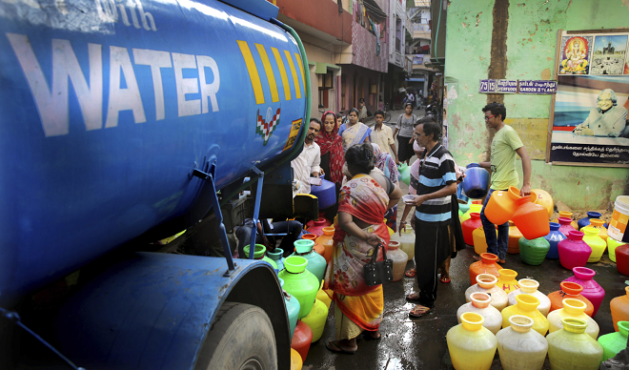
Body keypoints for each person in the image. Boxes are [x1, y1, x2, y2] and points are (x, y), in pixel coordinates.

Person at [325, 143, 402, 354]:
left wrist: (366, 235)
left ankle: (349, 341)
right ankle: (373, 329)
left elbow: (345, 221)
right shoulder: (381, 180)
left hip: (359, 243)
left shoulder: (350, 187)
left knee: (350, 287)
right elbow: (398, 194)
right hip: (380, 236)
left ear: (348, 165)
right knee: (373, 280)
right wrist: (378, 216)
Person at [402, 119, 458, 318]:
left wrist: (424, 198)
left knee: (429, 259)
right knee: (421, 258)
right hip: (424, 216)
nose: (415, 137)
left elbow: (452, 187)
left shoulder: (444, 156)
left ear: (430, 136)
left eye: (418, 134)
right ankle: (423, 292)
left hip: (436, 219)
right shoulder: (427, 155)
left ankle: (428, 301)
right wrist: (417, 212)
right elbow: (425, 186)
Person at [402, 131, 466, 283]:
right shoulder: (415, 168)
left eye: (422, 152)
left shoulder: (444, 159)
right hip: (425, 207)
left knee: (446, 239)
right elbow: (413, 194)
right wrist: (407, 217)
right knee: (423, 239)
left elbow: (457, 181)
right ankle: (421, 266)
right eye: (417, 153)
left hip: (446, 206)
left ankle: (445, 269)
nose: (420, 156)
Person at [478, 102, 532, 264]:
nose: (486, 120)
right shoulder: (498, 134)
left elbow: (525, 156)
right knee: (501, 220)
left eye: (489, 117)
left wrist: (526, 184)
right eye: (485, 118)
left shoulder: (508, 132)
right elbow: (497, 163)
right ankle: (500, 255)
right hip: (499, 182)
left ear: (499, 116)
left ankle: (492, 254)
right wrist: (479, 164)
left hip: (504, 185)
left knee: (485, 216)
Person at [316, 111, 345, 219]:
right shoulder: (317, 139)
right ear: (322, 123)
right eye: (326, 122)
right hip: (320, 176)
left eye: (332, 123)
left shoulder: (337, 139)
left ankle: (331, 224)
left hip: (334, 179)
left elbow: (341, 160)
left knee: (333, 203)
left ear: (335, 124)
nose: (329, 125)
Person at [235, 218, 302, 258]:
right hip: (249, 228)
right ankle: (243, 262)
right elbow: (257, 219)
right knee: (245, 232)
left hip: (269, 226)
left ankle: (279, 254)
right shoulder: (251, 194)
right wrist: (264, 238)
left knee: (297, 225)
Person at [372, 143, 400, 231]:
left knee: (389, 226)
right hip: (375, 200)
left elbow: (394, 176)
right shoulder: (368, 163)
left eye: (373, 156)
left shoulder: (387, 159)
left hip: (389, 197)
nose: (371, 158)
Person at [291, 118, 322, 194]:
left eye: (316, 130)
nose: (312, 132)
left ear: (318, 133)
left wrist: (316, 176)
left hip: (305, 187)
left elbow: (315, 164)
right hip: (292, 185)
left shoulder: (316, 148)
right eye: (311, 128)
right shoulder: (295, 144)